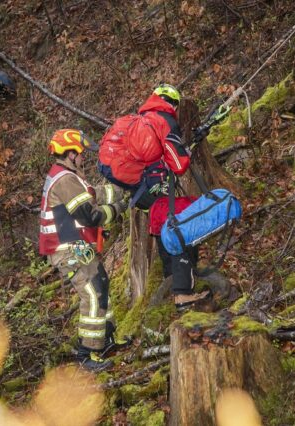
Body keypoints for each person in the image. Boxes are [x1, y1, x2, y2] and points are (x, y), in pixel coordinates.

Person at [99, 84, 211, 309]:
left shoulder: (134, 120)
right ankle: (182, 292)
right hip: (148, 186)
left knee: (162, 218)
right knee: (181, 220)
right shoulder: (164, 121)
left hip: (135, 188)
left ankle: (171, 276)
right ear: (173, 104)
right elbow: (178, 165)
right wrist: (185, 152)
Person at [39, 129, 130, 372]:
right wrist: (119, 208)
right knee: (91, 293)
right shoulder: (65, 180)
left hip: (75, 244)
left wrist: (126, 187)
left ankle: (106, 339)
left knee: (101, 283)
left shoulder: (70, 176)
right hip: (66, 248)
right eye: (79, 154)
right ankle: (86, 353)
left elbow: (95, 194)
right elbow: (90, 215)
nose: (82, 158)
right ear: (68, 153)